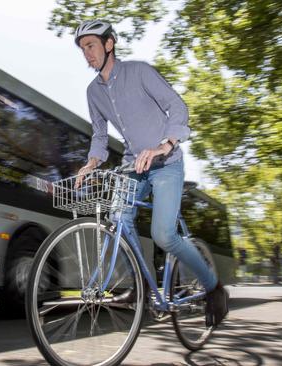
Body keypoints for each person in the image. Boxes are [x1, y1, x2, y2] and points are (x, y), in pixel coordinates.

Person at [73, 19, 228, 326]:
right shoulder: (94, 92)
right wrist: (91, 162)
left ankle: (214, 288)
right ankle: (142, 288)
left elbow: (177, 107)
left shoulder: (140, 71)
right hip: (134, 166)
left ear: (109, 44)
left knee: (164, 235)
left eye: (90, 45)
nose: (86, 53)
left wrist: (164, 145)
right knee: (118, 221)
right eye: (82, 49)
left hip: (166, 164)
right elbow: (100, 136)